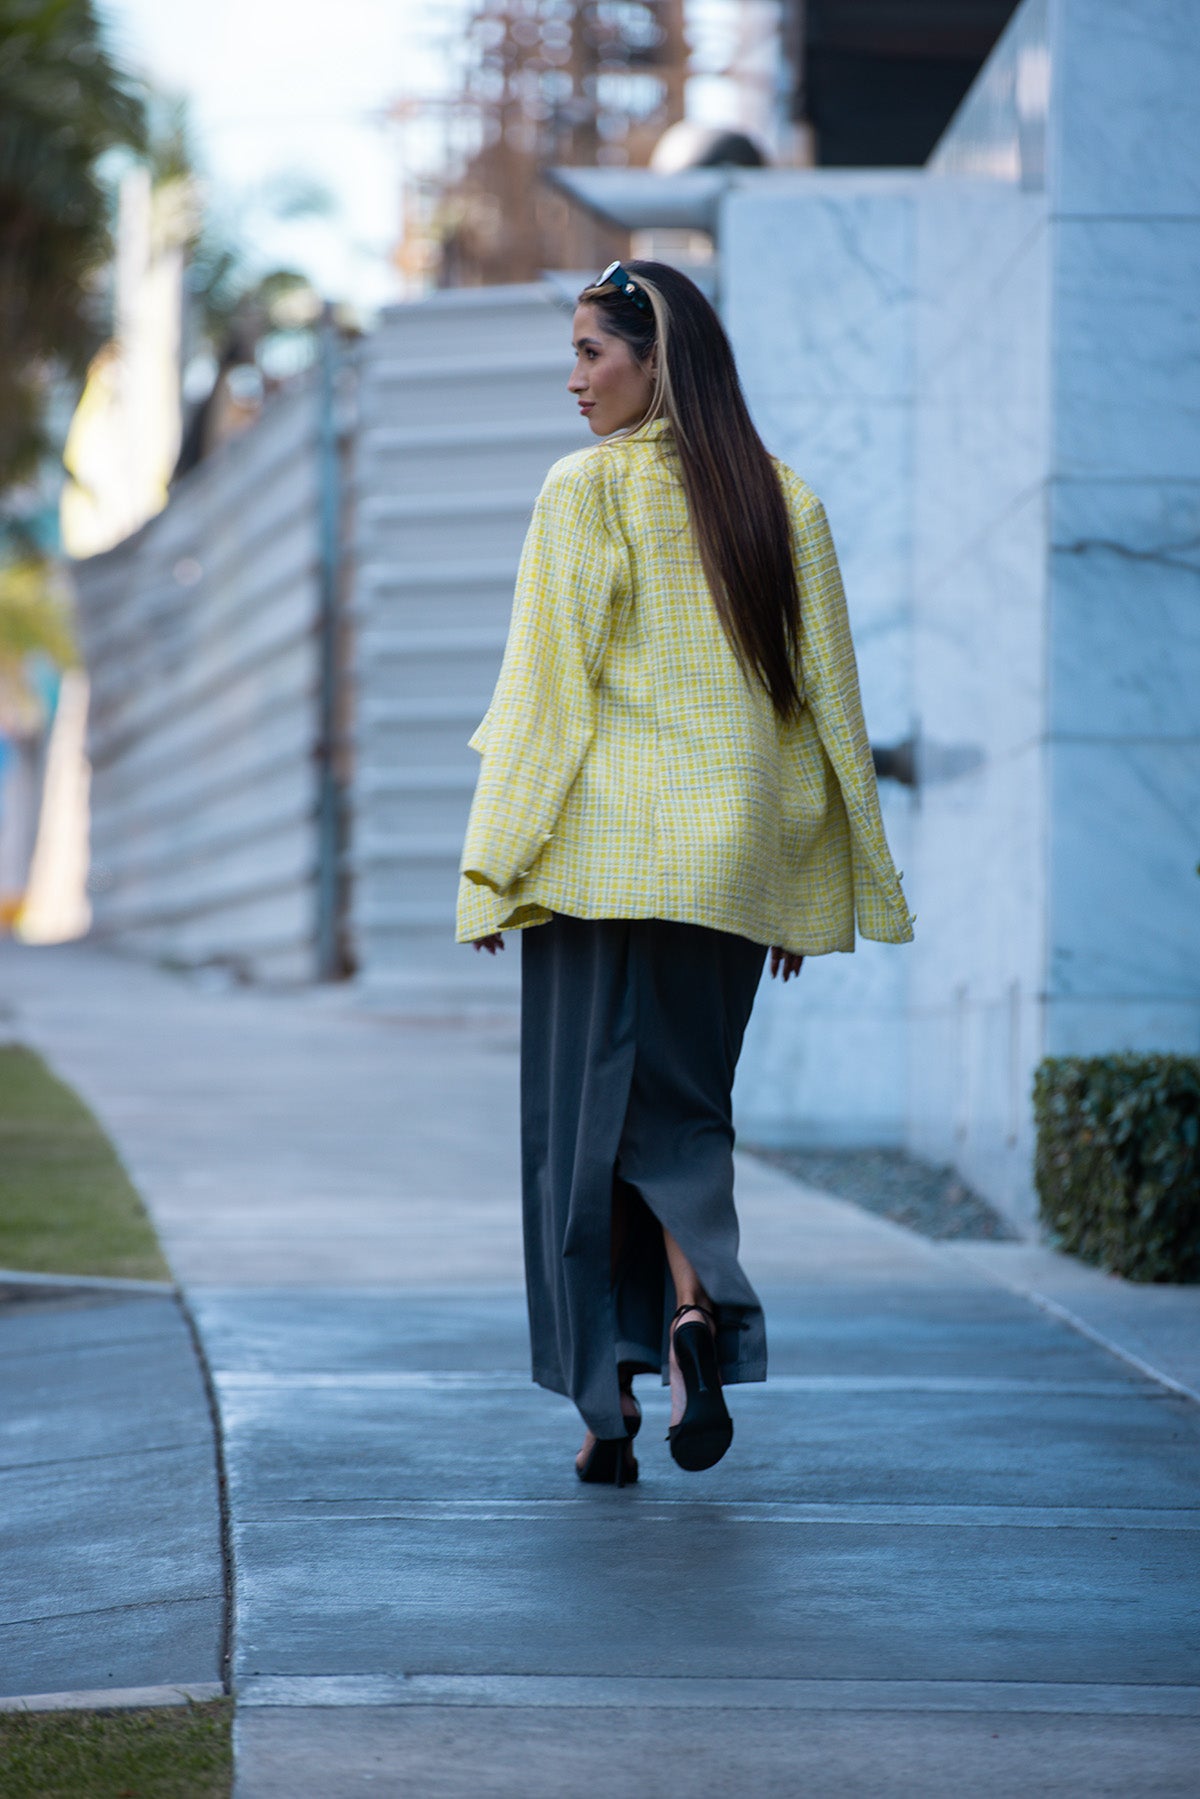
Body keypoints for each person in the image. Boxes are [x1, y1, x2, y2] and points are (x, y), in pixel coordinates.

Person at [457, 259, 914, 1487]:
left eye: (593, 354)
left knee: (583, 1130)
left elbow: (544, 700)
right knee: (683, 1115)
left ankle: (604, 1409)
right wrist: (807, 884)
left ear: (656, 363)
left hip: (601, 858)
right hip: (728, 864)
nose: (574, 380)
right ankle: (692, 1323)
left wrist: (493, 862)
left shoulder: (585, 491)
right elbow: (828, 711)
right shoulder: (786, 502)